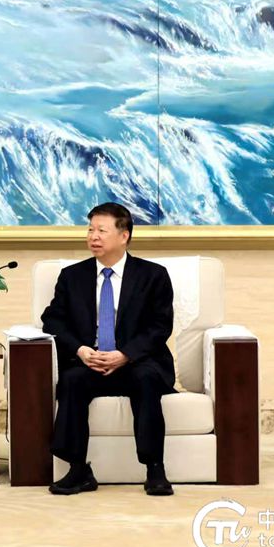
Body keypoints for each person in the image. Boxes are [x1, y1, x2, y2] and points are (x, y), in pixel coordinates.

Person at [41, 202, 176, 496]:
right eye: (90, 230)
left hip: (136, 361)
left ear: (124, 235)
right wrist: (80, 350)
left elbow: (160, 326)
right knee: (72, 380)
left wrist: (125, 354)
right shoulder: (72, 276)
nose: (93, 236)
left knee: (146, 379)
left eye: (101, 230)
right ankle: (78, 470)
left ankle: (155, 468)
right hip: (89, 361)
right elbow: (52, 320)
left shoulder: (153, 275)